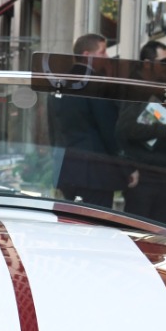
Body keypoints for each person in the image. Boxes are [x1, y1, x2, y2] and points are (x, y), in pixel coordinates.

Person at [53, 32, 137, 209]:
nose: (107, 57)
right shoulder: (96, 84)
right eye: (102, 52)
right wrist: (127, 167)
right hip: (95, 174)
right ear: (87, 56)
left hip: (66, 170)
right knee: (95, 228)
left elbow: (54, 131)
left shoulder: (58, 86)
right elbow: (110, 131)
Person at [117, 40, 166, 227]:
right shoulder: (135, 88)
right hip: (143, 176)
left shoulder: (164, 88)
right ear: (148, 64)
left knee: (162, 236)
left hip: (163, 175)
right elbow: (125, 128)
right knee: (140, 234)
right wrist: (164, 129)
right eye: (164, 62)